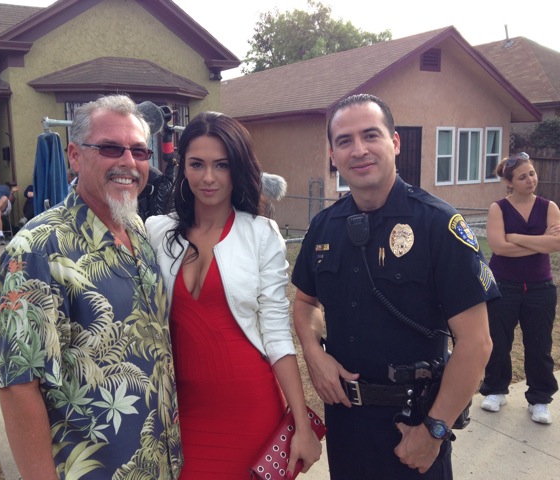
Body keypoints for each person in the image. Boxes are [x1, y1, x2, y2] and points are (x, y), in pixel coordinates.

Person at [291, 94, 500, 479]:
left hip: (413, 425)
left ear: (395, 143)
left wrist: (434, 430)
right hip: (346, 422)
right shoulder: (324, 227)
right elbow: (305, 301)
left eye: (370, 135)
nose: (359, 150)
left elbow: (477, 342)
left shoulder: (438, 225)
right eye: (344, 140)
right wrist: (313, 354)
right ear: (333, 155)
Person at [0, 94, 183, 480]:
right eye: (111, 148)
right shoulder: (37, 249)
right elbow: (19, 385)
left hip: (158, 462)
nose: (128, 163)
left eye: (139, 151)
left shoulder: (138, 232)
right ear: (75, 156)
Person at [145, 111, 322, 478]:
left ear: (238, 168)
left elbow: (276, 334)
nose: (208, 178)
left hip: (249, 406)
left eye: (221, 165)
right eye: (197, 164)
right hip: (179, 412)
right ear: (182, 167)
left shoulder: (261, 233)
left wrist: (302, 425)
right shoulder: (156, 233)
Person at [479, 152, 559, 424]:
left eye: (532, 173)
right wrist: (538, 241)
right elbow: (499, 248)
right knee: (498, 341)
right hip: (503, 285)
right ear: (510, 182)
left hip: (541, 287)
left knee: (539, 345)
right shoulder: (497, 208)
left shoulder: (549, 207)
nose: (531, 180)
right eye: (523, 176)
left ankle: (539, 399)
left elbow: (555, 244)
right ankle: (496, 390)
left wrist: (516, 238)